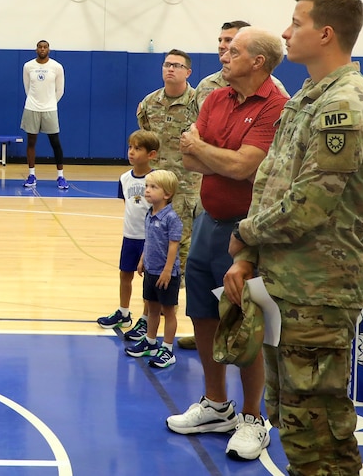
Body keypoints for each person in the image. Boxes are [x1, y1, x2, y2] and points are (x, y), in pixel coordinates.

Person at [226, 0, 363, 476]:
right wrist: (249, 255)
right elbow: (275, 183)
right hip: (286, 282)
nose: (286, 33)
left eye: (296, 23)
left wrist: (247, 234)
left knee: (317, 425)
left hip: (317, 289)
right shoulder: (311, 98)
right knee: (292, 415)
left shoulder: (346, 106)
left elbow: (310, 203)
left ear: (326, 33)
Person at [169, 26, 288, 462]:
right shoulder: (216, 97)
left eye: (234, 50)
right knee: (202, 312)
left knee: (247, 321)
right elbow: (187, 155)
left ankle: (254, 418)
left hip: (249, 231)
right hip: (208, 223)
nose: (224, 54)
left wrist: (210, 151)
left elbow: (245, 168)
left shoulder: (278, 107)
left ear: (258, 61)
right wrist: (215, 154)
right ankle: (216, 404)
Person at [136, 49, 201, 283]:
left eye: (177, 65)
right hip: (158, 180)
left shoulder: (198, 103)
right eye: (167, 64)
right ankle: (157, 280)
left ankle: (177, 284)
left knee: (184, 235)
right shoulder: (150, 103)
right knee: (156, 231)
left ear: (188, 72)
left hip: (187, 181)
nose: (170, 69)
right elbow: (146, 138)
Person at [97, 130, 158, 333]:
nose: (132, 152)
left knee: (148, 281)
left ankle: (145, 318)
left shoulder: (156, 179)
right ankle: (123, 313)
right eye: (130, 147)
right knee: (125, 275)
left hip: (150, 240)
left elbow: (160, 211)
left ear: (151, 154)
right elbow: (128, 204)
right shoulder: (124, 178)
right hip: (130, 237)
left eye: (138, 148)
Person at [124, 169, 182, 369]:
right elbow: (149, 241)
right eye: (147, 186)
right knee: (153, 308)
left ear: (167, 194)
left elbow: (174, 245)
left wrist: (167, 270)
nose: (147, 191)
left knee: (168, 311)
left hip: (166, 274)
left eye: (153, 187)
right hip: (151, 270)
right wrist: (142, 259)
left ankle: (167, 348)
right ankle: (150, 341)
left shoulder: (171, 218)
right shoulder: (150, 214)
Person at [195, 20, 289, 107]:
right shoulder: (206, 85)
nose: (221, 46)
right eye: (220, 40)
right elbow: (193, 122)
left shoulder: (274, 90)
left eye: (228, 40)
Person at [20, 40, 68, 190]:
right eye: (40, 47)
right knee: (31, 142)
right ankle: (32, 175)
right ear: (36, 49)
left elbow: (60, 90)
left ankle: (60, 176)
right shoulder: (28, 66)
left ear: (49, 49)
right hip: (32, 108)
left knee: (55, 143)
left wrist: (50, 103)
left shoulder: (56, 67)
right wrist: (35, 102)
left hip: (50, 109)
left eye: (45, 47)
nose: (42, 49)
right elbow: (27, 88)